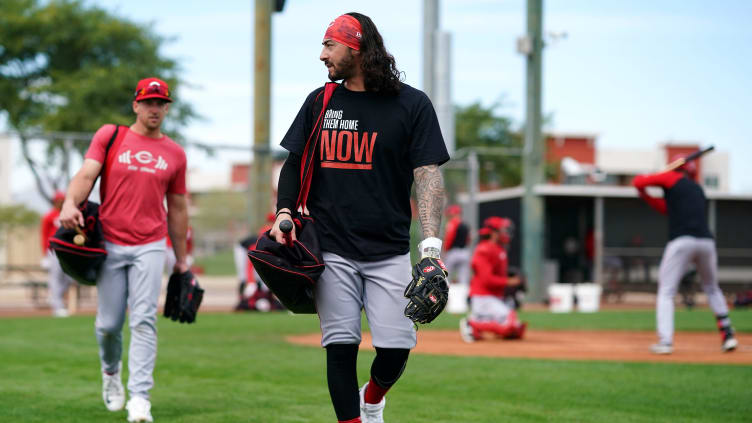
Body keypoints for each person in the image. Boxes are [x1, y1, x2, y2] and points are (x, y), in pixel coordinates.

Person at [269, 13, 449, 423]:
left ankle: (373, 397)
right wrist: (285, 211)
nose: (322, 55)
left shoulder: (412, 104)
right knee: (340, 345)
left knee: (397, 346)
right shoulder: (321, 101)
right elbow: (294, 164)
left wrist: (431, 247)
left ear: (356, 48)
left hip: (386, 248)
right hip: (331, 248)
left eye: (329, 45)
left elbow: (427, 174)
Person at [60, 77, 189, 422]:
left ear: (166, 108)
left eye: (161, 103)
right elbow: (87, 174)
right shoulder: (110, 135)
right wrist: (70, 204)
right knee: (109, 325)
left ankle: (140, 398)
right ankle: (110, 373)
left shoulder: (175, 153)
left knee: (145, 318)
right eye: (148, 102)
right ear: (135, 105)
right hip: (111, 242)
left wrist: (181, 259)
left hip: (151, 243)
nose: (154, 108)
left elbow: (177, 207)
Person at [633, 156, 737, 355]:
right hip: (706, 242)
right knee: (712, 288)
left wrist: (651, 179)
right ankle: (728, 335)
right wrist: (645, 194)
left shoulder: (671, 179)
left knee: (666, 291)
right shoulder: (696, 189)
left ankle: (665, 341)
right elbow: (665, 209)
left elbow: (638, 181)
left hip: (682, 241)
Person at [459, 217, 526, 343]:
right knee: (510, 324)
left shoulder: (499, 248)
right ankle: (472, 324)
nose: (505, 233)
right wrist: (509, 281)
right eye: (502, 230)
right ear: (494, 232)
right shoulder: (484, 249)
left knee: (517, 329)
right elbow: (486, 280)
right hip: (483, 298)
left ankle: (480, 320)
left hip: (495, 297)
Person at [40, 190, 75, 317]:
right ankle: (57, 306)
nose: (60, 203)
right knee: (55, 278)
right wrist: (45, 255)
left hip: (67, 251)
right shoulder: (49, 216)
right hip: (54, 252)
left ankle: (55, 296)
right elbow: (44, 235)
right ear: (54, 202)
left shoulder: (68, 215)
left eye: (62, 200)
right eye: (58, 200)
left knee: (70, 277)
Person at [442, 204, 471, 286]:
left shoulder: (452, 223)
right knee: (463, 279)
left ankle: (445, 295)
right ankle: (463, 296)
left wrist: (445, 251)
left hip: (453, 253)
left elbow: (449, 239)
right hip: (465, 252)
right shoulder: (465, 225)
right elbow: (468, 240)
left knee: (446, 276)